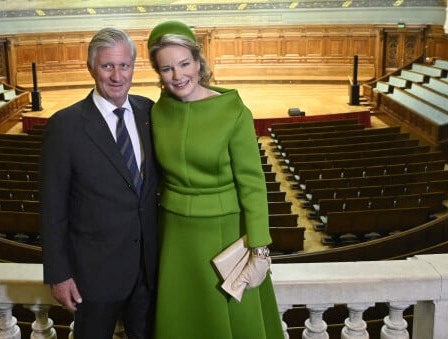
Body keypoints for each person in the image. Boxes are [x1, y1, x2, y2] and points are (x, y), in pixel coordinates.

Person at [147, 20, 285, 339]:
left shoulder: (233, 111)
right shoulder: (158, 111)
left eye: (184, 64)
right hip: (175, 236)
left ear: (199, 62)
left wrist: (261, 251)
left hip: (224, 235)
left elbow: (253, 185)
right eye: (167, 69)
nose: (178, 75)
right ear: (158, 72)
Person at [40, 27, 159, 339]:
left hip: (149, 273)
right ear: (91, 67)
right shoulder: (65, 126)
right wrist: (58, 274)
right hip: (93, 277)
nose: (117, 76)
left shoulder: (150, 111)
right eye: (107, 66)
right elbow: (53, 209)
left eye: (124, 65)